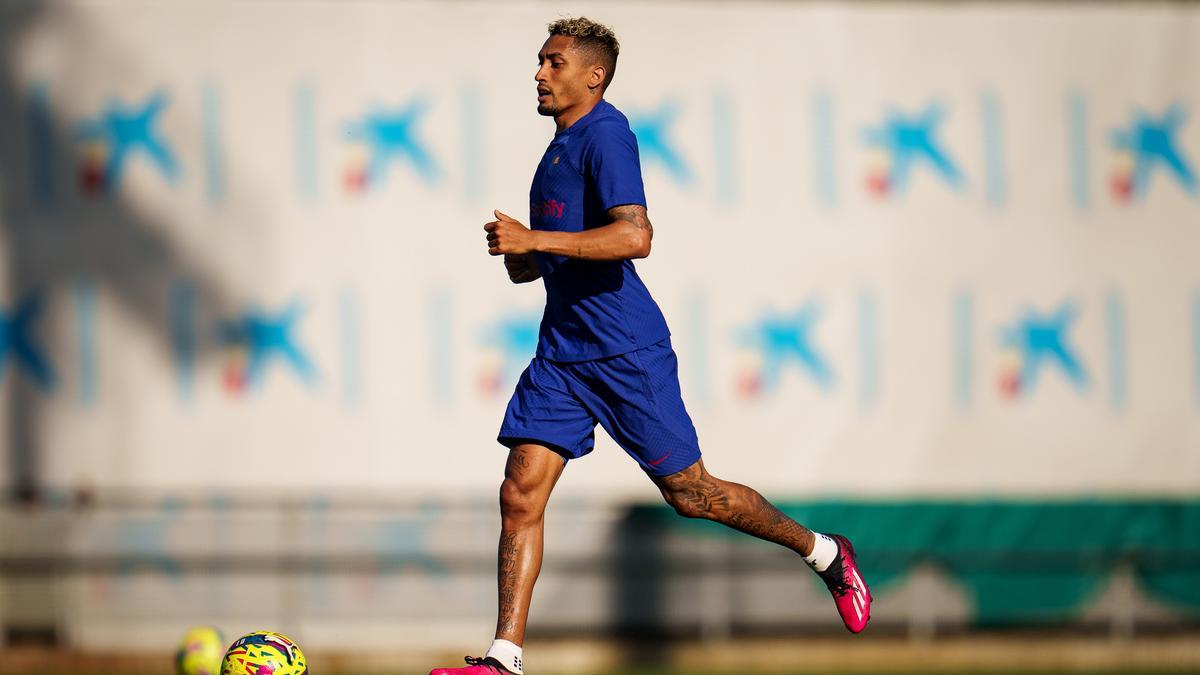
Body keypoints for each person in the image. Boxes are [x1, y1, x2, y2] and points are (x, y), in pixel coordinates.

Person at [431, 17, 871, 675]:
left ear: (593, 75)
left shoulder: (606, 135)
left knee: (694, 494)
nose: (539, 73)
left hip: (624, 347)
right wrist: (515, 252)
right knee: (520, 490)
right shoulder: (553, 153)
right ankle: (504, 658)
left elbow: (635, 236)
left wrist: (537, 242)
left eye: (553, 62)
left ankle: (826, 552)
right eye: (540, 61)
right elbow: (538, 266)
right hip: (562, 353)